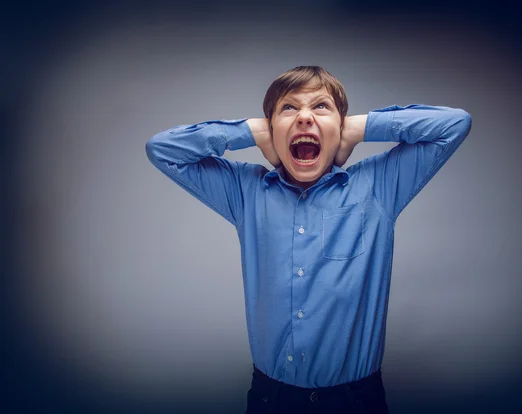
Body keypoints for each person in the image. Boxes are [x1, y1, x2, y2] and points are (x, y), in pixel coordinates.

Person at [145, 66, 472, 414]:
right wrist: (252, 130)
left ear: (340, 126)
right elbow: (163, 149)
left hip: (356, 401)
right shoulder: (246, 192)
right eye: (288, 108)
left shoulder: (378, 187)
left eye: (321, 107)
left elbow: (454, 124)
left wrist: (360, 128)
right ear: (272, 129)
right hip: (272, 399)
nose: (304, 118)